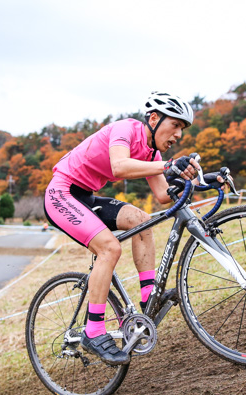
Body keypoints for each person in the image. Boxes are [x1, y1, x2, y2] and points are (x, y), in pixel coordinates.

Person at [43, 92, 205, 366]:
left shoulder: (152, 152)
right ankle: (93, 332)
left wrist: (202, 180)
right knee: (110, 247)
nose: (178, 134)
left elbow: (164, 196)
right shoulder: (124, 129)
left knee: (142, 220)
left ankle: (148, 297)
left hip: (86, 197)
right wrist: (169, 165)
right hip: (62, 193)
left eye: (182, 129)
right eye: (175, 125)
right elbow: (118, 167)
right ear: (154, 119)